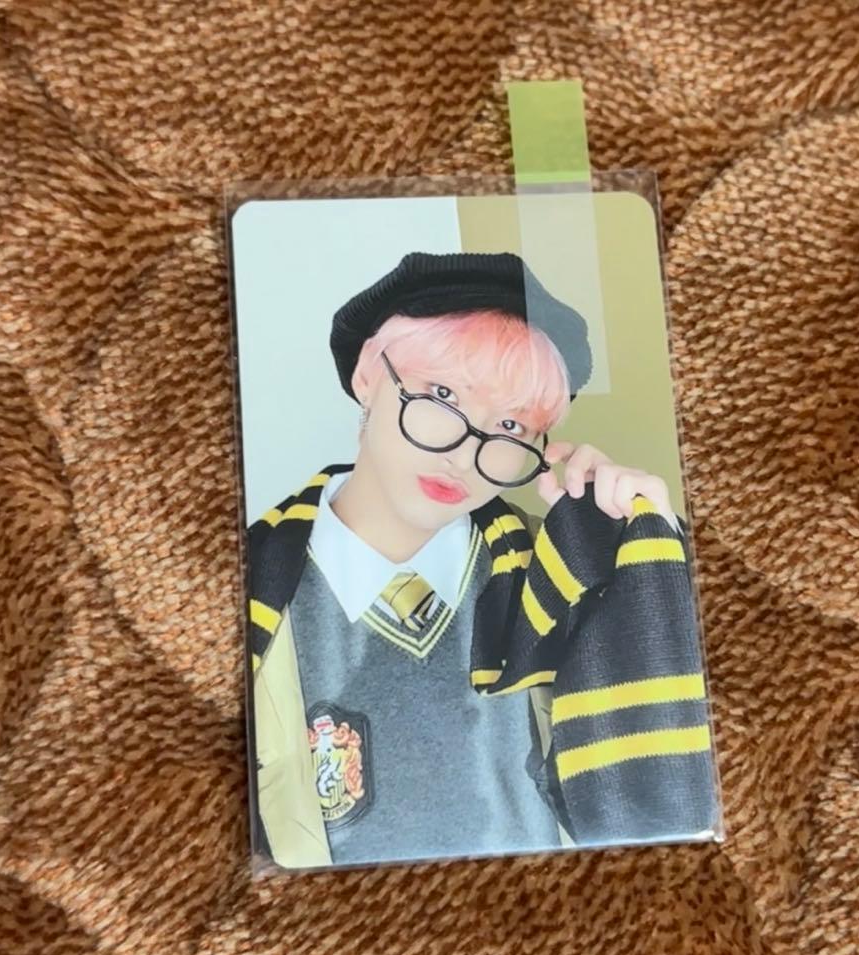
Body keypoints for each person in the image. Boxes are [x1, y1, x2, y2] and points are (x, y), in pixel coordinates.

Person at [246, 252, 717, 870]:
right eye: (442, 395)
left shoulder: (565, 575)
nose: (466, 454)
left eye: (511, 425)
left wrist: (649, 565)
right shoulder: (240, 586)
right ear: (367, 377)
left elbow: (673, 821)